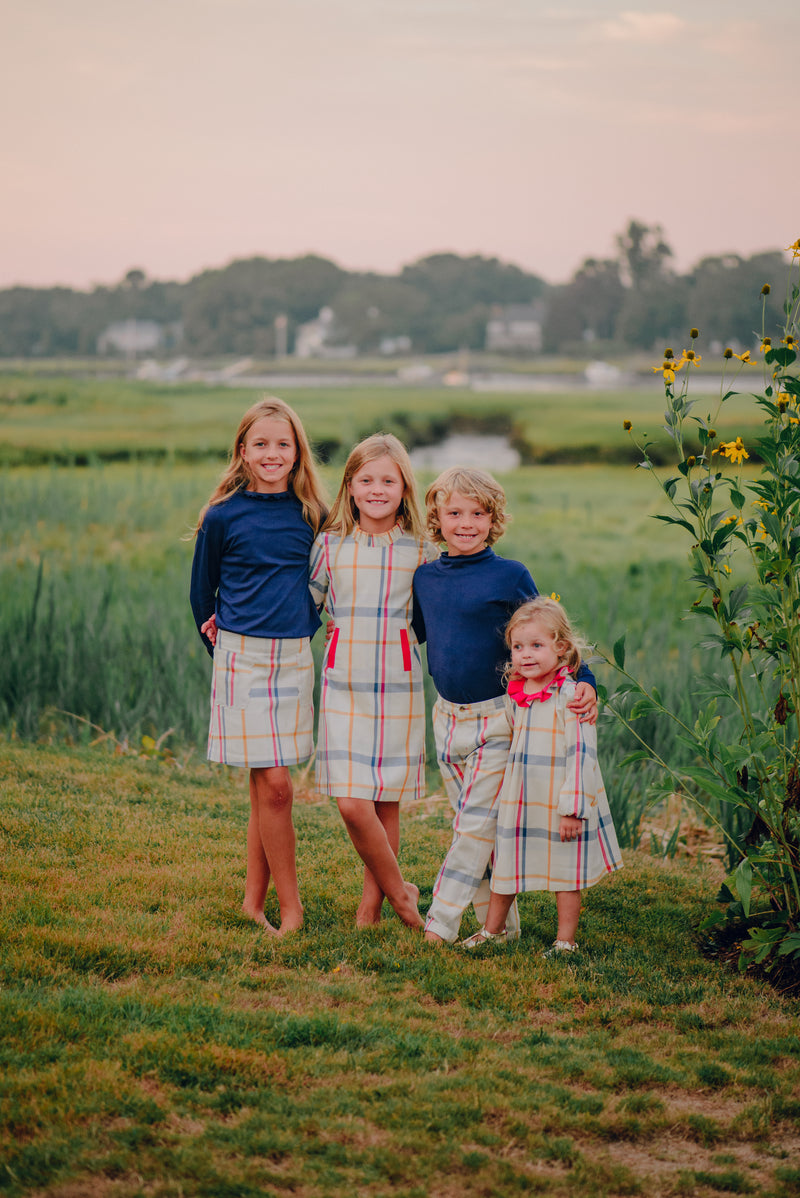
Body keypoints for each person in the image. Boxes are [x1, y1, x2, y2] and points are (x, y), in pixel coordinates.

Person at [412, 467, 598, 945]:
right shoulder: (426, 577)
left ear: (494, 519)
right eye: (455, 512)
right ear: (437, 517)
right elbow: (414, 634)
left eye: (479, 513)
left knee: (472, 828)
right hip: (446, 717)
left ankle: (440, 923)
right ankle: (503, 928)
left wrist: (586, 681)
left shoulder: (509, 574)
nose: (466, 522)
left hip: (499, 716)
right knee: (474, 826)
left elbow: (548, 632)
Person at [189, 396, 327, 935]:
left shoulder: (310, 515)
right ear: (242, 451)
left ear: (297, 453)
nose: (272, 453)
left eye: (283, 444)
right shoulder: (222, 516)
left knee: (267, 789)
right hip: (242, 660)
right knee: (276, 787)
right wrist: (221, 648)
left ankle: (252, 902)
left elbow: (321, 582)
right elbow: (202, 594)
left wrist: (307, 627)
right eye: (261, 444)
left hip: (293, 660)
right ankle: (290, 909)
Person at [309, 433, 432, 929]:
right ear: (350, 487)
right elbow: (304, 608)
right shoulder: (329, 545)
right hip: (342, 683)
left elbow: (433, 620)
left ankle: (371, 908)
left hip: (398, 684)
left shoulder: (421, 550)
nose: (377, 489)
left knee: (385, 800)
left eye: (388, 480)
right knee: (351, 802)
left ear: (405, 487)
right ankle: (403, 894)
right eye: (366, 480)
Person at [461, 596, 622, 952]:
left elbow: (582, 755)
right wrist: (468, 746)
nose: (526, 654)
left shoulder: (571, 697)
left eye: (536, 645)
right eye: (518, 647)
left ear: (561, 647)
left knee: (566, 874)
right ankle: (493, 931)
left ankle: (565, 941)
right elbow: (505, 732)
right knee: (508, 864)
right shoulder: (516, 693)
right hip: (521, 797)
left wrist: (572, 809)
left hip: (559, 799)